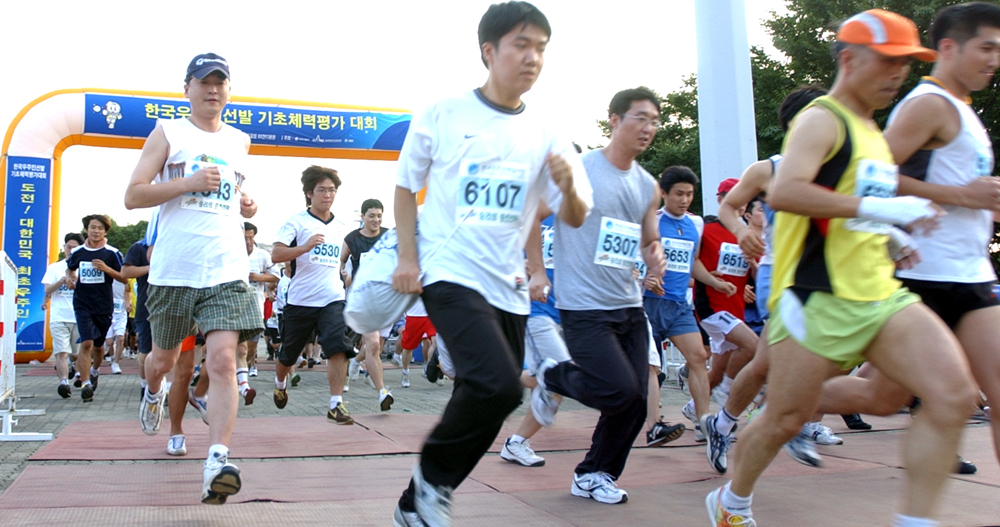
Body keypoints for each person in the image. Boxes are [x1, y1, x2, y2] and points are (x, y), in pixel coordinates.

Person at [707, 11, 978, 527]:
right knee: (785, 418)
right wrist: (883, 210)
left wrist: (894, 234)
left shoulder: (873, 132)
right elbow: (786, 192)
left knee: (952, 394)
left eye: (907, 63)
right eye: (889, 61)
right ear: (850, 59)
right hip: (815, 297)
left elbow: (854, 208)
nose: (899, 73)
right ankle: (731, 502)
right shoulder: (821, 118)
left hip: (879, 293)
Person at [389, 2, 592, 525]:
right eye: (522, 45)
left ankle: (419, 499)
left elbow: (573, 215)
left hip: (508, 284)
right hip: (448, 270)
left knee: (490, 397)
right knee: (499, 383)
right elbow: (406, 186)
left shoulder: (547, 131)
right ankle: (434, 478)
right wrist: (408, 258)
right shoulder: (445, 111)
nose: (533, 58)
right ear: (489, 51)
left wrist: (569, 186)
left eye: (541, 49)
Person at [817, 1, 1000, 477]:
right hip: (923, 275)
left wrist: (980, 199)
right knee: (882, 397)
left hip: (971, 273)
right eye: (986, 47)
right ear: (948, 47)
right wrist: (964, 195)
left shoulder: (964, 110)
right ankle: (784, 397)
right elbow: (872, 177)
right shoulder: (927, 104)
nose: (994, 59)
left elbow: (964, 193)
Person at [124, 52, 262, 505]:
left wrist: (245, 203)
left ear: (228, 90)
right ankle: (152, 392)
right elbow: (133, 196)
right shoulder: (169, 131)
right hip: (175, 270)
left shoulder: (240, 140)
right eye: (204, 81)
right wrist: (188, 183)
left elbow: (232, 188)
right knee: (162, 361)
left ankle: (217, 461)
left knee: (223, 360)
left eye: (221, 82)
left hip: (225, 269)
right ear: (187, 88)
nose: (213, 89)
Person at [530, 86, 664, 505]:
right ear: (614, 119)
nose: (648, 128)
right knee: (618, 391)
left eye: (655, 121)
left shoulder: (647, 184)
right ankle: (553, 374)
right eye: (640, 118)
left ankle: (594, 474)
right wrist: (536, 270)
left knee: (636, 402)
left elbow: (648, 238)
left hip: (629, 303)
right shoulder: (580, 167)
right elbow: (533, 218)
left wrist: (654, 256)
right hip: (584, 306)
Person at [271, 166, 359, 422]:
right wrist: (304, 247)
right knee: (288, 355)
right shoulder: (296, 222)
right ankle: (279, 383)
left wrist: (344, 274)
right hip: (300, 300)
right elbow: (277, 255)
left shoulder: (342, 226)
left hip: (332, 298)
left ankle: (336, 404)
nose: (328, 195)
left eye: (332, 190)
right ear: (309, 193)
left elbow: (341, 258)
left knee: (338, 346)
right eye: (322, 190)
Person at [64, 214, 126, 402]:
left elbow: (124, 277)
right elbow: (70, 269)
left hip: (104, 305)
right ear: (86, 230)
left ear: (105, 231)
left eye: (100, 228)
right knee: (86, 343)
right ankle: (85, 384)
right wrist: (70, 278)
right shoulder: (78, 252)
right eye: (93, 227)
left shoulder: (112, 253)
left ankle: (95, 371)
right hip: (82, 303)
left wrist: (107, 269)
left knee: (99, 347)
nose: (96, 231)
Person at [341, 199, 393, 407]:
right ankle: (382, 392)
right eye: (371, 216)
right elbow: (340, 261)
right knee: (371, 345)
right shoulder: (352, 239)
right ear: (362, 217)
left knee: (376, 349)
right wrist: (343, 274)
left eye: (379, 216)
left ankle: (355, 362)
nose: (376, 220)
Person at [41, 232, 85, 398]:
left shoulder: (85, 268)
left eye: (75, 248)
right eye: (68, 247)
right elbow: (47, 289)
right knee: (61, 352)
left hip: (79, 316)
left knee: (75, 354)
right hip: (59, 317)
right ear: (64, 247)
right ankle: (63, 383)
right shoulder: (54, 268)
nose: (71, 250)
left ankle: (73, 367)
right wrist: (61, 281)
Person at [239, 222, 277, 392]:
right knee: (237, 344)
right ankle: (240, 376)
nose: (247, 241)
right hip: (233, 304)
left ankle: (246, 366)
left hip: (255, 305)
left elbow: (275, 276)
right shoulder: (231, 253)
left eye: (250, 237)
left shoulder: (262, 255)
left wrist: (259, 277)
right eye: (243, 237)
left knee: (251, 345)